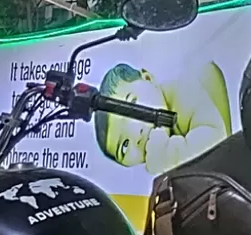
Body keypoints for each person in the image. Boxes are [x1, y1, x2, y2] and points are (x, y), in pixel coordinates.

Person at [93, 58, 231, 176]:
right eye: (124, 146)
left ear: (147, 78)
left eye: (133, 105)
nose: (137, 134)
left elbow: (215, 143)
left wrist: (164, 155)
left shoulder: (185, 91)